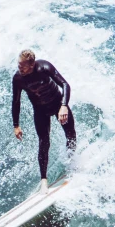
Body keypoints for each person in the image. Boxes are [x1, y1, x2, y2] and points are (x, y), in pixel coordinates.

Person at [11, 49, 76, 192]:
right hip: (40, 110)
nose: (19, 68)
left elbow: (65, 85)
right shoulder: (18, 79)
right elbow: (16, 102)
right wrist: (16, 125)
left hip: (58, 104)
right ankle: (44, 182)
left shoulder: (44, 67)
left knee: (70, 134)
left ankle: (72, 164)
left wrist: (64, 106)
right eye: (18, 65)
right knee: (43, 142)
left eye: (22, 66)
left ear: (32, 65)